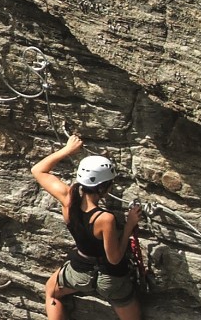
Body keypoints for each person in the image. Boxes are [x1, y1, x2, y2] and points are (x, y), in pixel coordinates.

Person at [31, 135, 143, 320]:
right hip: (110, 280)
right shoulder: (105, 219)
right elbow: (114, 259)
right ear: (102, 189)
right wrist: (130, 226)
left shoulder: (68, 199)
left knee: (51, 292)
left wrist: (67, 150)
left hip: (78, 273)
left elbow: (38, 170)